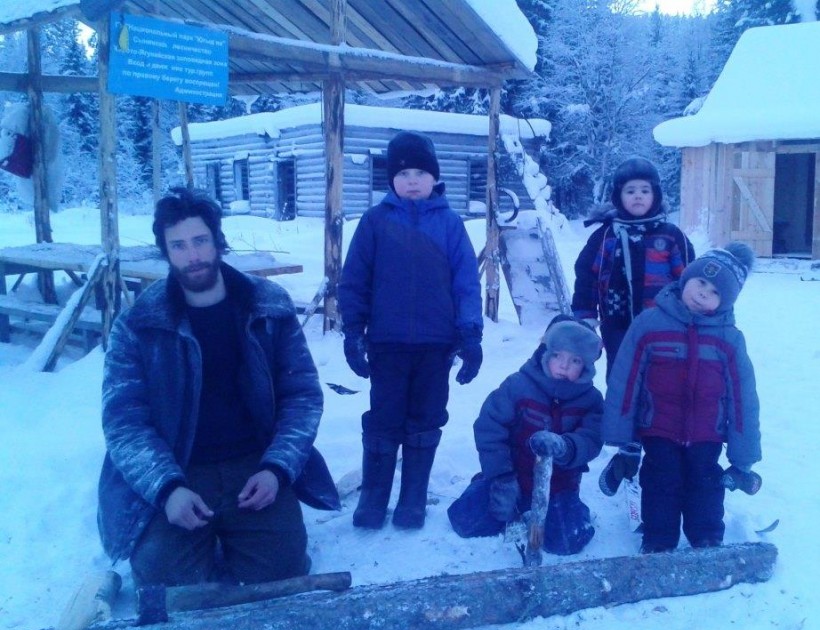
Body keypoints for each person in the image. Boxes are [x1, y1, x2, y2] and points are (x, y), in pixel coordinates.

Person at [97, 187, 340, 588]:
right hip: (179, 466)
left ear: (217, 240)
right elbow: (124, 422)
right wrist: (167, 489)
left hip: (254, 464)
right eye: (178, 245)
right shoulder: (139, 324)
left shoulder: (268, 307)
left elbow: (302, 396)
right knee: (165, 584)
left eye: (200, 240)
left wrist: (277, 469)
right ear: (165, 251)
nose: (192, 255)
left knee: (281, 573)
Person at [338, 130, 483, 530]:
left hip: (436, 347)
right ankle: (373, 498)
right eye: (403, 174)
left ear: (435, 177)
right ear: (392, 180)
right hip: (387, 344)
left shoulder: (450, 224)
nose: (413, 181)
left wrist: (470, 335)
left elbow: (466, 283)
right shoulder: (375, 222)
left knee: (426, 418)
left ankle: (413, 499)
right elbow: (354, 280)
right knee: (384, 418)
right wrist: (353, 331)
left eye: (420, 173)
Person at [601, 242, 762, 553]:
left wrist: (743, 456)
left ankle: (707, 539)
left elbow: (743, 400)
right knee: (660, 482)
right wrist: (622, 436)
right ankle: (658, 541)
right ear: (685, 278)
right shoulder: (649, 324)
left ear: (725, 301)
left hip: (707, 435)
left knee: (706, 485)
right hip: (658, 428)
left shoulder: (729, 339)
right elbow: (626, 380)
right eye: (700, 282)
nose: (703, 293)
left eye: (714, 292)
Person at [571, 157, 695, 496]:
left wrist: (690, 318)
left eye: (644, 190)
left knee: (659, 387)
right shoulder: (606, 236)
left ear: (656, 195)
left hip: (663, 331)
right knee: (622, 384)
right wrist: (585, 314)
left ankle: (661, 446)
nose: (638, 196)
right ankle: (627, 450)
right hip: (618, 328)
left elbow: (689, 280)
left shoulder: (671, 236)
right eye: (630, 191)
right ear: (618, 196)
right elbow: (586, 275)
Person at [447, 317, 604, 556]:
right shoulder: (517, 386)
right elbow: (490, 428)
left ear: (586, 366)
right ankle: (489, 488)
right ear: (545, 352)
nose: (564, 366)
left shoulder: (591, 400)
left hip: (558, 485)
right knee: (465, 521)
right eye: (558, 356)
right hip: (511, 476)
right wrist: (500, 476)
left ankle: (570, 509)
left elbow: (592, 437)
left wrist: (567, 447)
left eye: (575, 360)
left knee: (567, 541)